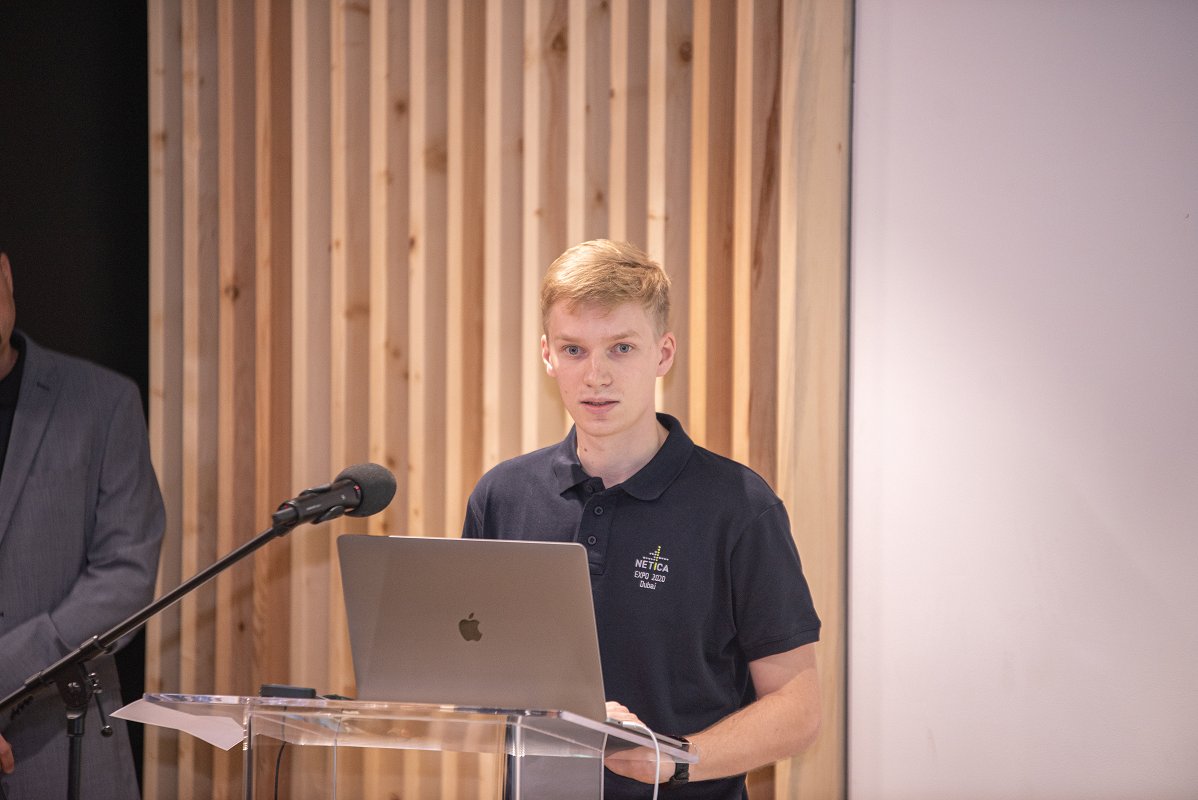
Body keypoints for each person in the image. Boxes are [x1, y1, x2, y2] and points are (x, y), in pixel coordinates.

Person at [462, 239, 821, 799]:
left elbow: (798, 710)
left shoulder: (739, 506)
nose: (596, 376)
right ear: (548, 355)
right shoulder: (503, 496)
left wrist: (672, 759)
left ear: (663, 353)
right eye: (574, 349)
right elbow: (474, 671)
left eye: (621, 348)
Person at [0, 252, 165, 798]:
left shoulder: (103, 402)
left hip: (62, 742)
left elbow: (125, 577)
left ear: (6, 274)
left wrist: (9, 670)